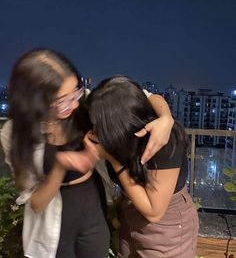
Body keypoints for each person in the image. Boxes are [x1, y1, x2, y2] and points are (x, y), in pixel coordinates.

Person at [0, 49, 174, 258]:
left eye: (77, 91)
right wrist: (59, 168)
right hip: (51, 225)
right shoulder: (14, 134)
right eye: (62, 100)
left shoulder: (84, 104)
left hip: (93, 209)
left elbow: (144, 96)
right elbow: (35, 202)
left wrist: (165, 117)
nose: (75, 104)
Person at [82, 76, 199, 258]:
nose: (94, 130)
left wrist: (113, 160)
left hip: (167, 226)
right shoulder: (121, 134)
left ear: (118, 125)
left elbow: (154, 212)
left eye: (99, 125)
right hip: (131, 213)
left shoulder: (164, 143)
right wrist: (166, 116)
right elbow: (151, 96)